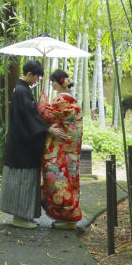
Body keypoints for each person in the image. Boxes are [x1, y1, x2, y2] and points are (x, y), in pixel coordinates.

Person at [0, 60, 64, 228]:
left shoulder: (21, 89)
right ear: (29, 74)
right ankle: (20, 217)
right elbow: (30, 118)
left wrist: (40, 105)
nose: (37, 81)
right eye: (36, 78)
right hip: (23, 146)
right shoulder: (22, 91)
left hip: (21, 142)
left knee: (23, 179)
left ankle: (24, 216)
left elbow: (31, 114)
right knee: (23, 180)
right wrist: (49, 129)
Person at [38, 68, 83, 228]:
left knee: (59, 181)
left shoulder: (61, 100)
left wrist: (42, 104)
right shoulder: (71, 99)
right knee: (70, 181)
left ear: (59, 83)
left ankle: (68, 217)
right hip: (71, 149)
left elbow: (49, 115)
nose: (52, 85)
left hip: (63, 150)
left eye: (53, 83)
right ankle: (69, 217)